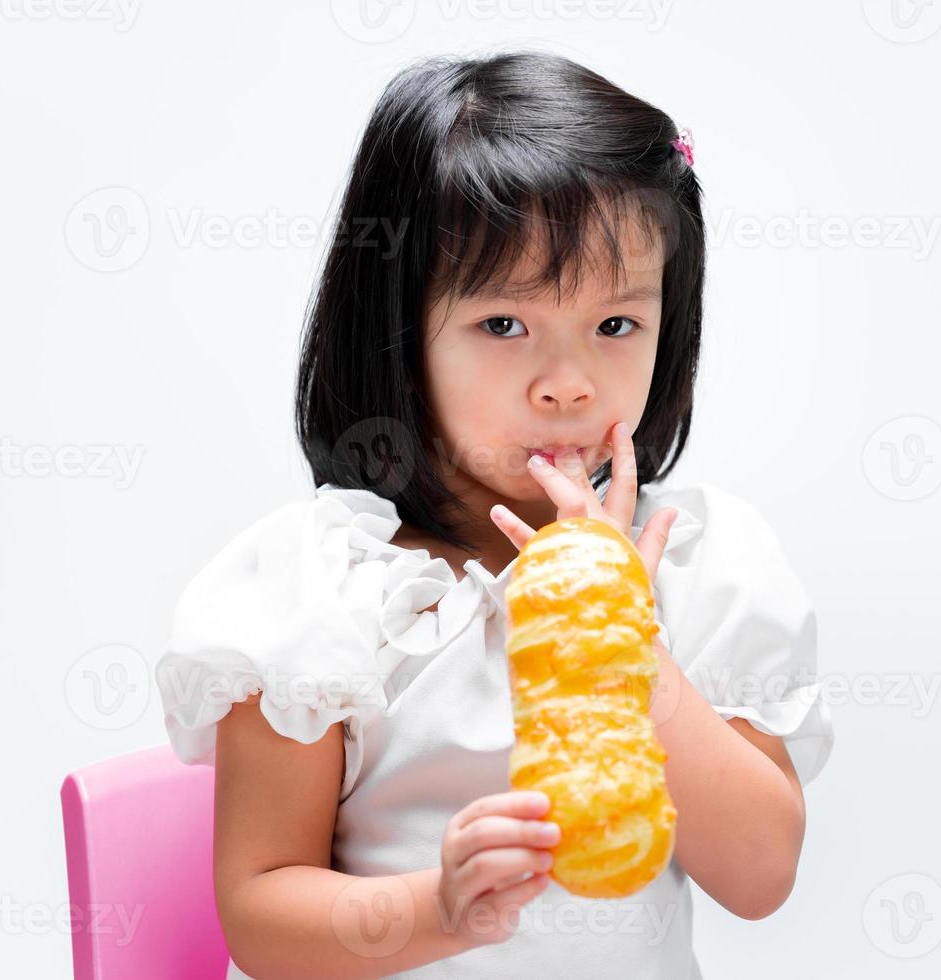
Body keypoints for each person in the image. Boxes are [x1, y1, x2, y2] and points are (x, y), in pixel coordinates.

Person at [154, 49, 833, 979]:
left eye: (616, 325)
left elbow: (760, 876)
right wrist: (438, 910)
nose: (567, 385)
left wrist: (616, 634)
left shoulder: (691, 565)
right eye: (504, 326)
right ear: (398, 328)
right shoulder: (324, 586)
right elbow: (262, 910)